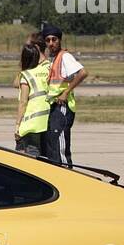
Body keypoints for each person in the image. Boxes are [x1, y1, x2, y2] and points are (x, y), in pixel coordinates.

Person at [40, 23, 87, 167]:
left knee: (60, 147)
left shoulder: (64, 57)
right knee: (52, 145)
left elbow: (83, 73)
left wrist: (66, 92)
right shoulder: (51, 59)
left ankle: (67, 174)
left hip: (62, 107)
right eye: (48, 40)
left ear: (60, 40)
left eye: (54, 39)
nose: (51, 43)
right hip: (53, 107)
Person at [15, 43, 49, 156]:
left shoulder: (26, 75)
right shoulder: (46, 71)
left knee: (32, 152)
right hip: (46, 120)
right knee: (46, 154)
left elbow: (23, 102)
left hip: (32, 122)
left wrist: (17, 125)